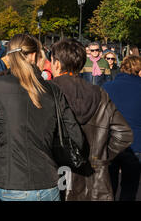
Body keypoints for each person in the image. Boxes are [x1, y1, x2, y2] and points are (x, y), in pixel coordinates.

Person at [0, 34, 84, 201]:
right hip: (48, 182)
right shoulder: (53, 90)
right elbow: (76, 137)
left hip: (10, 183)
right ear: (34, 55)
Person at [50, 39, 133, 201]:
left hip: (58, 174)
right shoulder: (99, 93)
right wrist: (100, 157)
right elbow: (124, 134)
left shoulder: (48, 91)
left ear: (57, 64)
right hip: (95, 178)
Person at [104, 56, 141, 201]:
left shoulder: (107, 87)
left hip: (111, 142)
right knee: (129, 190)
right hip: (135, 143)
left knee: (109, 189)